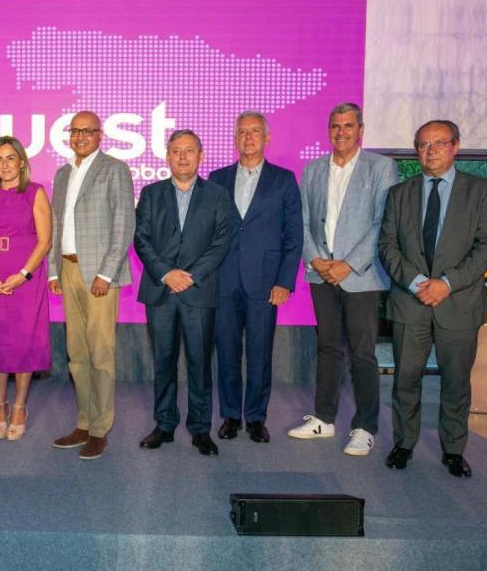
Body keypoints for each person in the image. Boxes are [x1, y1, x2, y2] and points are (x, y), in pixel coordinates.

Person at [378, 120, 487, 477]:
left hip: (458, 303)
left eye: (438, 143)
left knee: (456, 381)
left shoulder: (481, 191)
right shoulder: (399, 194)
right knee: (405, 379)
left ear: (455, 147)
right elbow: (387, 246)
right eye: (422, 145)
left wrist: (447, 283)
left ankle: (453, 450)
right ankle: (403, 444)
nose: (429, 151)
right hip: (409, 301)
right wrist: (417, 281)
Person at [288, 103, 399, 456]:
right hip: (320, 273)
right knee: (328, 348)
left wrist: (348, 265)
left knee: (363, 353)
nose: (341, 132)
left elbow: (382, 223)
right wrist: (316, 259)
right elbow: (302, 220)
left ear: (360, 130)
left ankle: (365, 427)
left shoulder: (381, 167)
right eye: (335, 126)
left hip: (360, 277)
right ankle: (323, 418)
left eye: (348, 126)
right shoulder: (313, 169)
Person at [134, 130, 233, 456]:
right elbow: (141, 239)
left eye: (189, 151)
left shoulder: (217, 194)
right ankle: (163, 425)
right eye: (176, 151)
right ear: (168, 156)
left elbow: (221, 241)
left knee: (199, 363)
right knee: (162, 361)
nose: (183, 157)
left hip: (198, 292)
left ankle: (200, 428)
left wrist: (190, 276)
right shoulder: (150, 193)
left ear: (200, 156)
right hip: (161, 292)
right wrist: (166, 273)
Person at [209, 111, 303, 444]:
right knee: (227, 351)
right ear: (235, 139)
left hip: (266, 283)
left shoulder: (284, 180)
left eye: (254, 132)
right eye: (242, 132)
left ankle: (256, 417)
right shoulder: (217, 179)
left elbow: (294, 237)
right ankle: (231, 415)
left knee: (261, 353)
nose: (248, 137)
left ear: (267, 138)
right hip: (223, 280)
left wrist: (285, 282)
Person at [47, 111, 136, 460]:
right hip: (67, 271)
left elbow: (123, 225)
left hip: (99, 273)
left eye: (88, 131)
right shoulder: (62, 173)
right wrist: (53, 271)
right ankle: (83, 422)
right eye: (76, 131)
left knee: (101, 354)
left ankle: (101, 428)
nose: (81, 136)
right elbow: (55, 225)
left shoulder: (115, 169)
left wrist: (106, 273)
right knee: (76, 354)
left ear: (101, 135)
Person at [0, 136, 51, 441]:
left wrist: (23, 274)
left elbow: (45, 240)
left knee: (23, 343)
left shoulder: (35, 193)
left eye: (10, 158)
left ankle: (19, 408)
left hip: (25, 279)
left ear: (22, 162)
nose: (4, 164)